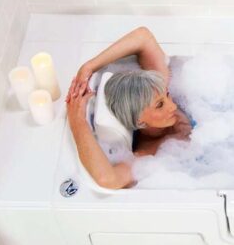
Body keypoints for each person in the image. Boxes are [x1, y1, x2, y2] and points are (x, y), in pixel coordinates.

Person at [65, 27, 192, 189]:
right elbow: (108, 180)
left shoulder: (157, 87)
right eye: (160, 105)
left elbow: (143, 36)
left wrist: (89, 67)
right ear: (139, 120)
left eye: (167, 95)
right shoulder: (151, 153)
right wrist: (77, 121)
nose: (173, 105)